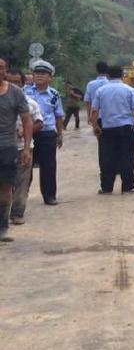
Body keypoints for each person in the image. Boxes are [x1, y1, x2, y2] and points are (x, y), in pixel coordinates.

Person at [90, 65, 134, 194]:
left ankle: (106, 187)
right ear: (122, 75)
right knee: (127, 157)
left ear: (108, 75)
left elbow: (94, 111)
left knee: (107, 157)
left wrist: (95, 126)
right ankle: (127, 186)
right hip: (126, 128)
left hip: (107, 128)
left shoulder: (101, 91)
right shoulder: (129, 90)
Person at [0, 57, 33, 242]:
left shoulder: (15, 93)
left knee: (5, 187)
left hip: (7, 147)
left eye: (1, 68)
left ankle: (2, 227)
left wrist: (27, 149)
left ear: (5, 71)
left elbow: (27, 121)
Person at [24, 59, 64, 206]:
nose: (40, 76)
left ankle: (49, 196)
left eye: (43, 73)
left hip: (47, 133)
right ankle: (21, 196)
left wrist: (59, 134)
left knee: (48, 166)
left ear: (50, 77)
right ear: (32, 76)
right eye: (37, 73)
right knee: (25, 165)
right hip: (29, 133)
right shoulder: (24, 91)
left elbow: (59, 115)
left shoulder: (54, 94)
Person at [10, 95, 43, 225]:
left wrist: (24, 133)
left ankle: (17, 213)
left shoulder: (30, 103)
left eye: (17, 82)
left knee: (22, 182)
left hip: (22, 147)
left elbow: (39, 123)